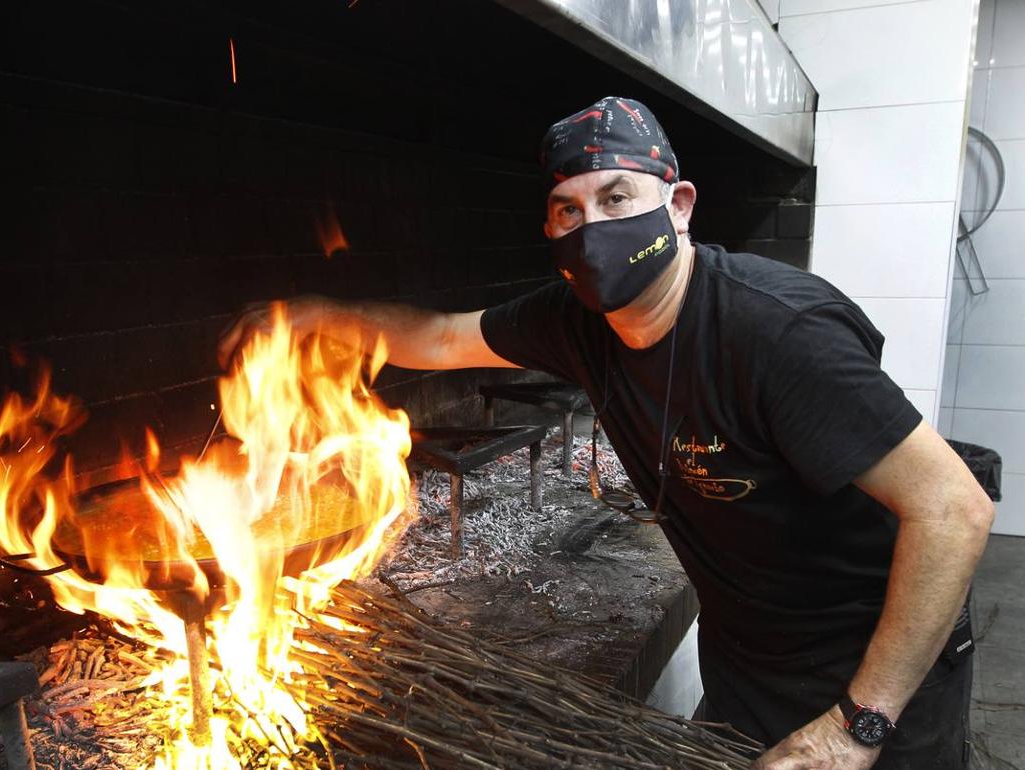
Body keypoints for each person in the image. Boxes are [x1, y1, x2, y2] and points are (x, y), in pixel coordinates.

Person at [218, 96, 994, 769]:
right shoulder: (578, 323)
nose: (593, 230)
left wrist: (860, 722)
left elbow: (954, 509)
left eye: (618, 197)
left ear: (679, 204)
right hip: (748, 659)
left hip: (880, 662)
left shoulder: (776, 332)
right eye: (569, 210)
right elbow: (442, 339)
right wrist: (315, 318)